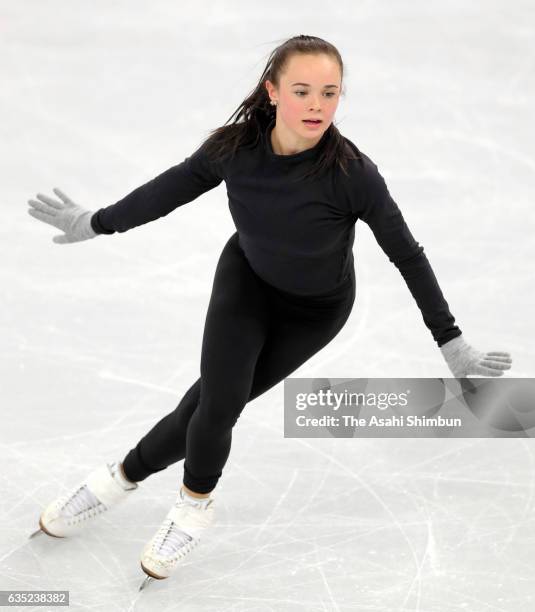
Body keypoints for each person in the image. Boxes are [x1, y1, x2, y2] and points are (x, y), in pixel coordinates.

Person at [26, 35, 512, 589]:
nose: (316, 106)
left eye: (329, 93)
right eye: (302, 90)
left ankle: (122, 481)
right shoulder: (234, 148)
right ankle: (188, 505)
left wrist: (450, 340)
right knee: (218, 403)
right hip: (247, 282)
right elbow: (167, 191)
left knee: (209, 403)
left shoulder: (353, 174)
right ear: (273, 92)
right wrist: (97, 222)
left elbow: (407, 254)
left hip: (315, 312)